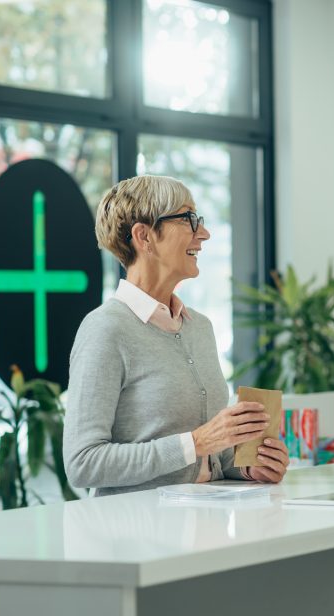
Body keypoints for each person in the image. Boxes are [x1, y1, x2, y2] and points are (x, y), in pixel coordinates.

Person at [64, 175, 289, 496]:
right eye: (188, 219)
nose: (204, 234)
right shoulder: (105, 329)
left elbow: (211, 455)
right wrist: (196, 442)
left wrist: (249, 467)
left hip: (204, 528)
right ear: (144, 237)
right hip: (137, 538)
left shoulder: (199, 327)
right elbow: (83, 463)